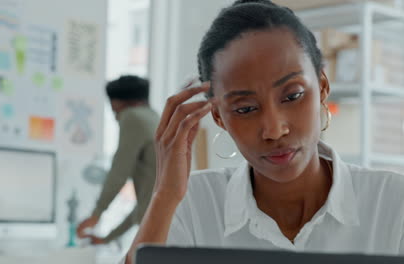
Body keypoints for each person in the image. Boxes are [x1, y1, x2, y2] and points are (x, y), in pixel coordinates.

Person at [123, 0, 404, 262]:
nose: (274, 129)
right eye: (245, 109)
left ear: (322, 87)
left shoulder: (392, 202)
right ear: (219, 117)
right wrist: (165, 195)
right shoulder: (191, 204)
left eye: (292, 96)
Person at [76, 75, 159, 244]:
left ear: (122, 103)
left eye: (114, 111)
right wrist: (107, 239)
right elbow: (145, 204)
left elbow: (119, 172)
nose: (115, 118)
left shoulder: (132, 117)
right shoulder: (155, 118)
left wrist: (97, 213)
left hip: (158, 226)